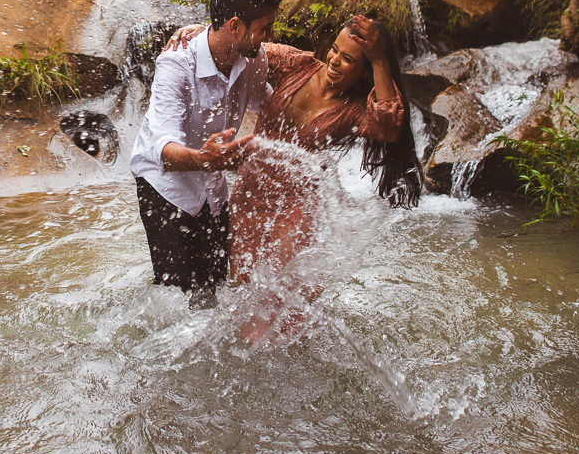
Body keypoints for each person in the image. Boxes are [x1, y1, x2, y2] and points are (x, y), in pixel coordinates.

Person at [165, 15, 422, 292]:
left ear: (364, 71)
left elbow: (389, 127)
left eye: (348, 59)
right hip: (249, 194)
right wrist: (202, 32)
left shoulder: (354, 109)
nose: (334, 60)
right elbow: (246, 43)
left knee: (280, 291)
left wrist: (380, 59)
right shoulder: (299, 65)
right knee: (243, 290)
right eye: (334, 49)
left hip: (296, 203)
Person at [129, 0, 280, 309]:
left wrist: (240, 150)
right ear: (235, 26)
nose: (268, 37)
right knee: (173, 301)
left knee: (213, 288)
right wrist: (205, 159)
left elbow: (257, 108)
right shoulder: (175, 64)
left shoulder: (255, 59)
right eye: (264, 28)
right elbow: (163, 149)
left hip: (213, 183)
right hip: (163, 186)